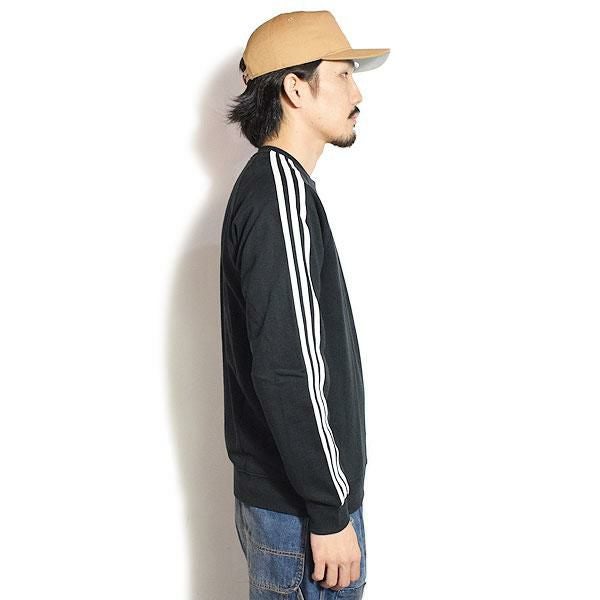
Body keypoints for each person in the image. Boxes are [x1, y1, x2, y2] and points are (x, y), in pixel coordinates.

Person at [220, 10, 390, 599]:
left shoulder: (271, 187)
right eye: (342, 75)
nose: (357, 93)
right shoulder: (279, 194)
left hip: (290, 509)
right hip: (302, 518)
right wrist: (329, 510)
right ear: (295, 88)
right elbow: (289, 367)